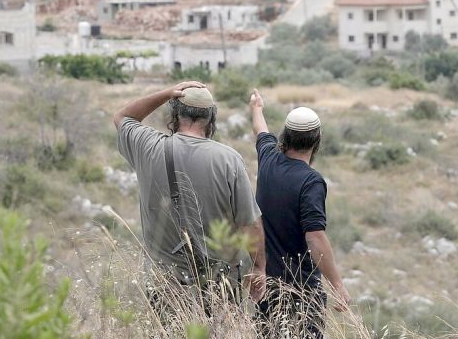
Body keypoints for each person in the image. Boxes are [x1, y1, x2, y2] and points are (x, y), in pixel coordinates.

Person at [113, 81, 266, 312]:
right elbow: (250, 223)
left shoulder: (148, 147)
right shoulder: (229, 159)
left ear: (174, 114)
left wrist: (167, 93)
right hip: (218, 284)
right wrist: (258, 267)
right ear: (211, 119)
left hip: (165, 283)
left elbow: (123, 117)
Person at [249, 89, 351, 339]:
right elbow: (315, 237)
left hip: (266, 287)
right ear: (317, 141)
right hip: (301, 291)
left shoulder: (269, 159)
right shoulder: (311, 181)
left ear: (285, 136)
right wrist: (338, 286)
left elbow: (261, 132)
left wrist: (257, 108)